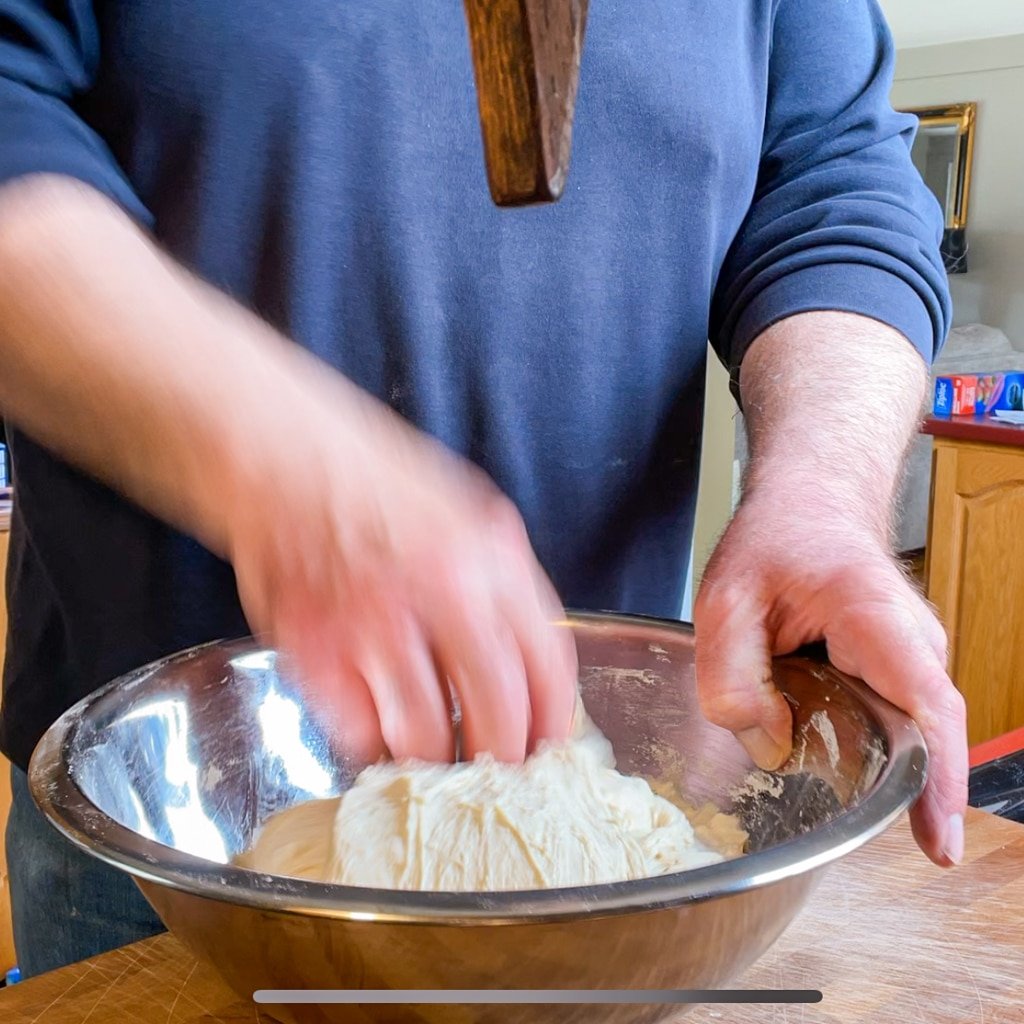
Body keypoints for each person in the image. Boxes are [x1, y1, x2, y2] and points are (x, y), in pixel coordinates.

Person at [0, 0, 967, 979]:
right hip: (167, 836)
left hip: (617, 820)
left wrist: (821, 487)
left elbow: (833, 184)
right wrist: (265, 457)